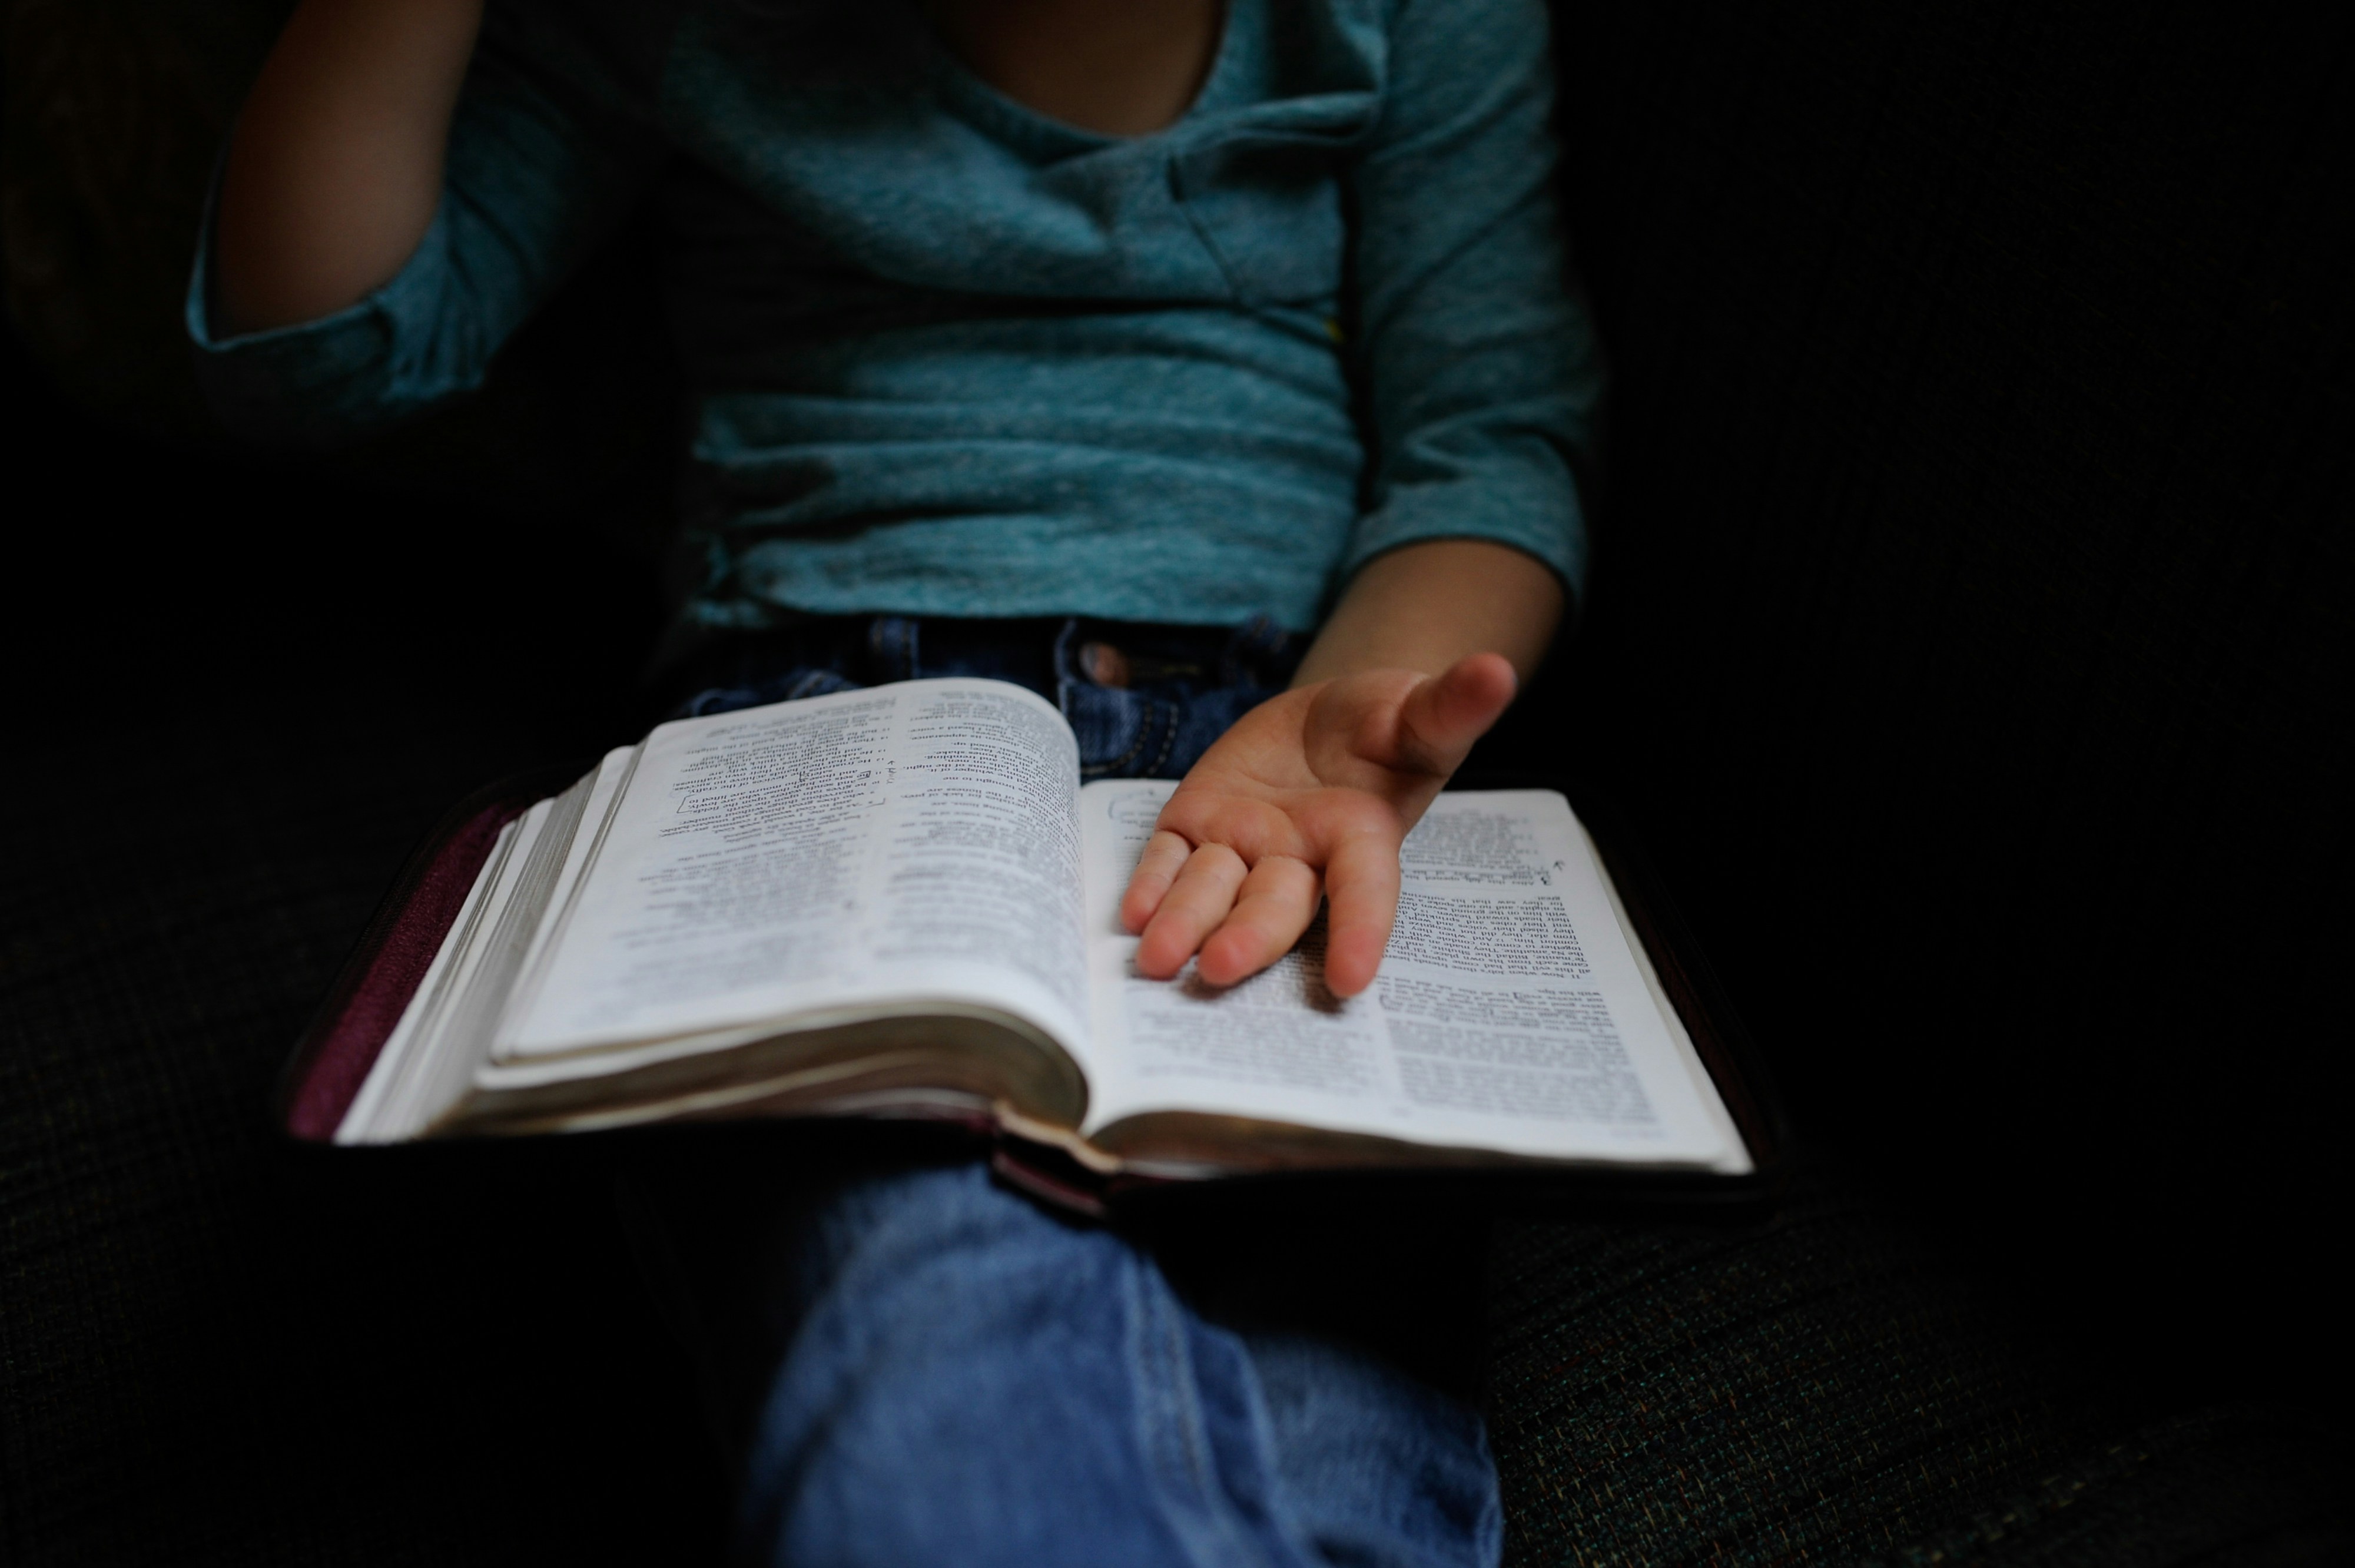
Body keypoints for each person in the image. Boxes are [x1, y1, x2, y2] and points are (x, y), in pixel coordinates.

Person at [191, 1, 1601, 1562]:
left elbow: (1489, 435)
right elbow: (326, 355)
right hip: (825, 746)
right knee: (923, 1310)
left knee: (1337, 1407)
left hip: (1274, 768)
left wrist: (1360, 698)